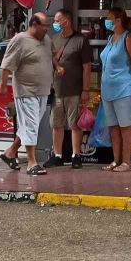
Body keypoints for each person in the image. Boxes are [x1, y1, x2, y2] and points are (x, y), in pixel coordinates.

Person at [0, 12, 55, 176]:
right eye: (45, 26)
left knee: (31, 125)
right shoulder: (20, 40)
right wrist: (3, 85)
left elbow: (52, 55)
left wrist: (57, 67)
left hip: (43, 90)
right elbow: (6, 64)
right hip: (26, 90)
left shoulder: (46, 39)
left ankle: (10, 153)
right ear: (34, 25)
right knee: (30, 125)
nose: (47, 29)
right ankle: (31, 162)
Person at [43, 9, 92, 169]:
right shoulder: (53, 40)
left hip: (75, 89)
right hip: (57, 90)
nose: (55, 24)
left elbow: (86, 67)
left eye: (58, 20)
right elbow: (49, 62)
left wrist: (85, 89)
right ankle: (57, 155)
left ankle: (76, 155)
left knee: (75, 124)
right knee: (56, 123)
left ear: (67, 21)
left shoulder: (80, 40)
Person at [100, 7, 131, 172]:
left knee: (126, 126)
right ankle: (115, 160)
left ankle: (127, 161)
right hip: (107, 91)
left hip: (124, 89)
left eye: (110, 18)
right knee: (113, 127)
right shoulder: (111, 38)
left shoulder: (128, 38)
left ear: (118, 20)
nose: (107, 21)